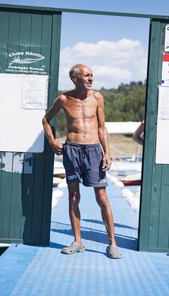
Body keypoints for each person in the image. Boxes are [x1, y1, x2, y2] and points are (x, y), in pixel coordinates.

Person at [42, 64, 121, 259]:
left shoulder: (97, 97)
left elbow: (102, 127)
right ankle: (78, 242)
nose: (90, 79)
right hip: (72, 150)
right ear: (74, 78)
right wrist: (52, 141)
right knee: (74, 197)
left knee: (102, 197)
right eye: (86, 76)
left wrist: (107, 153)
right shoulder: (64, 99)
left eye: (92, 75)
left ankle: (112, 243)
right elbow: (45, 120)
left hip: (94, 150)